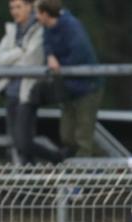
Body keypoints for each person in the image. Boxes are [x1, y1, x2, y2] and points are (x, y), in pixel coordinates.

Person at [36, 0, 103, 158]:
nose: (36, 17)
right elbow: (47, 45)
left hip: (87, 87)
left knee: (83, 138)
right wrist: (50, 56)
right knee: (67, 136)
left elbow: (78, 54)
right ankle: (103, 161)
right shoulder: (47, 28)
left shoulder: (71, 26)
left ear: (45, 14)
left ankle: (82, 178)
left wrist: (61, 66)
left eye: (37, 13)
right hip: (69, 88)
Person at [0, 0, 48, 165]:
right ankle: (22, 181)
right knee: (15, 143)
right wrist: (19, 51)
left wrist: (12, 58)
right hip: (10, 92)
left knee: (23, 141)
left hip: (27, 93)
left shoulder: (38, 28)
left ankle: (54, 157)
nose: (14, 11)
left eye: (18, 7)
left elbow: (31, 61)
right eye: (11, 7)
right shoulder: (11, 30)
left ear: (29, 7)